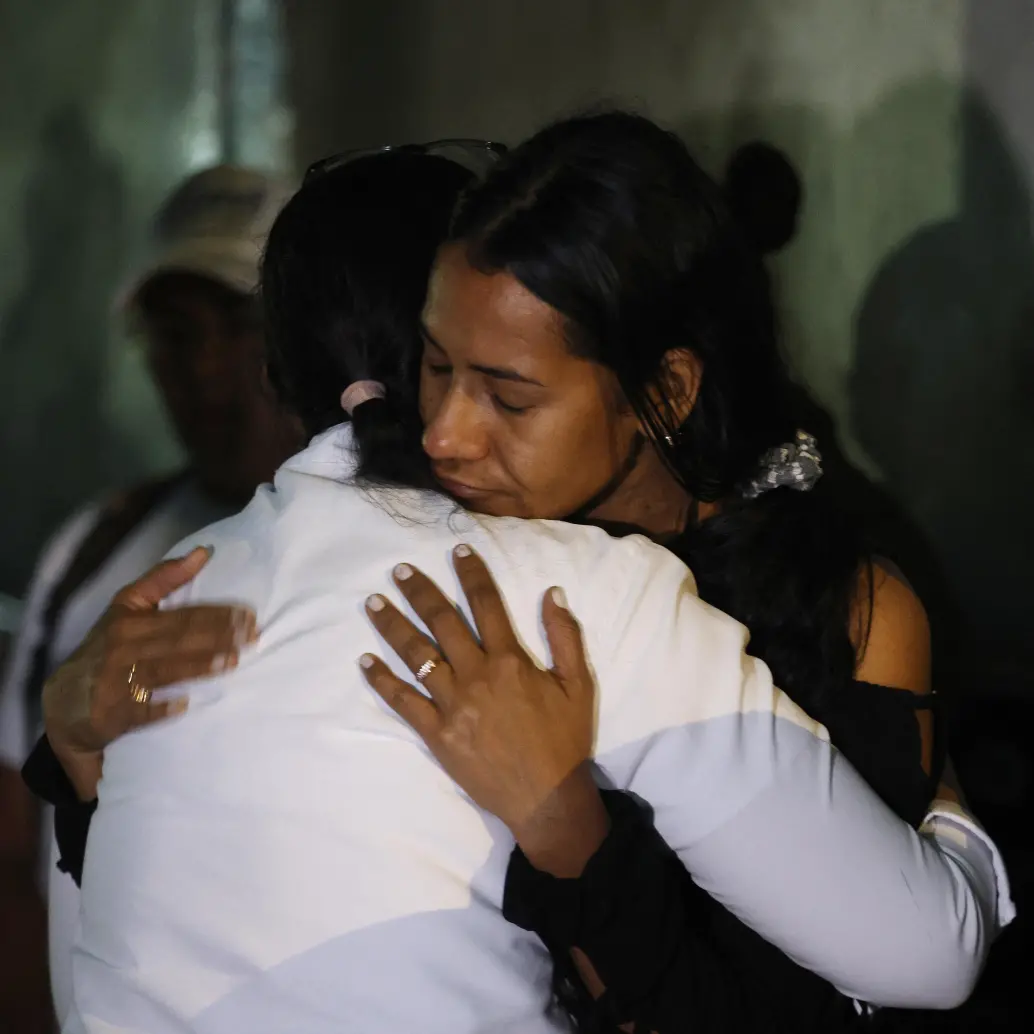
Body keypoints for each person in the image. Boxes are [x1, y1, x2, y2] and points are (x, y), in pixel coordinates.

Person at [26, 139, 1009, 1033]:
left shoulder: (713, 597)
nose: (445, 433)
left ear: (662, 392)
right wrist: (74, 751)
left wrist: (568, 825)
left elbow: (887, 977)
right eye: (435, 366)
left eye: (506, 391)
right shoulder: (238, 589)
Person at [0, 163, 300, 1028]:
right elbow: (14, 839)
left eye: (235, 325)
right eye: (173, 333)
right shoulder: (96, 547)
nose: (202, 367)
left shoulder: (390, 564)